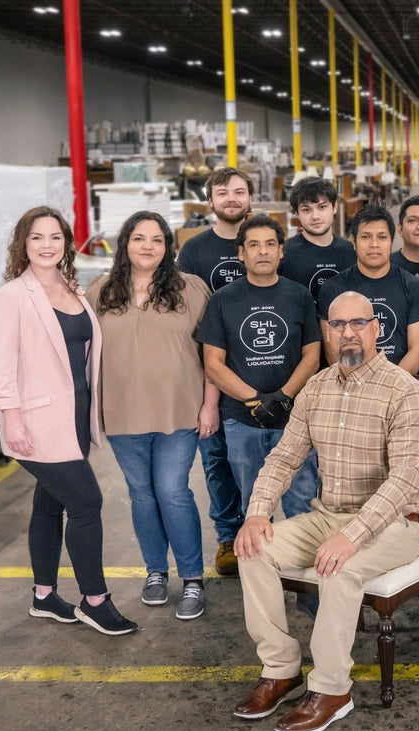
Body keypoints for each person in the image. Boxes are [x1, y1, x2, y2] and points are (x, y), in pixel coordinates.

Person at [232, 291, 419, 731]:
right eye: (339, 325)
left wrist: (353, 537)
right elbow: (283, 459)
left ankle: (331, 689)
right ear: (328, 331)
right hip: (327, 516)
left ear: (377, 327)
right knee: (252, 548)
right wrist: (257, 512)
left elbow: (403, 481)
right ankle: (281, 668)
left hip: (395, 525)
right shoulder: (315, 389)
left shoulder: (404, 390)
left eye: (358, 323)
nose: (348, 333)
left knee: (339, 568)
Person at [0, 206, 136, 636]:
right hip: (35, 423)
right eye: (37, 237)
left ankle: (44, 596)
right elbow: (3, 368)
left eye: (55, 237)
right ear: (23, 244)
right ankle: (95, 601)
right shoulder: (11, 297)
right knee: (87, 503)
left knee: (49, 503)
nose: (47, 245)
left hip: (73, 417)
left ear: (67, 244)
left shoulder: (73, 290)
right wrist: (11, 420)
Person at [89, 211, 214, 620]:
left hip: (179, 410)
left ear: (167, 247)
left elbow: (213, 352)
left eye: (157, 240)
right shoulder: (101, 292)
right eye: (140, 238)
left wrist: (210, 402)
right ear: (124, 243)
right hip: (122, 414)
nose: (148, 246)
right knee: (141, 495)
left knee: (173, 491)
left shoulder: (189, 289)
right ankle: (156, 572)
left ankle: (192, 578)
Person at [199, 215, 322, 527]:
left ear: (281, 251)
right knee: (253, 506)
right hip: (243, 422)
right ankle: (258, 570)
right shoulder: (222, 300)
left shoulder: (300, 297)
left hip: (295, 420)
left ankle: (300, 574)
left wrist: (282, 397)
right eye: (254, 245)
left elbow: (312, 355)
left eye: (270, 244)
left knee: (301, 503)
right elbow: (213, 363)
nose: (263, 251)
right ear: (242, 253)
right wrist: (255, 399)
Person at [177, 166, 251, 575]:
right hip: (208, 370)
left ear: (250, 198)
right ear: (210, 202)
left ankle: (263, 532)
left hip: (260, 367)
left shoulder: (266, 243)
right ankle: (228, 536)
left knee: (267, 459)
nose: (231, 198)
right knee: (216, 457)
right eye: (222, 193)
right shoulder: (194, 251)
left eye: (238, 191)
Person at [316, 205, 419, 374]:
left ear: (392, 242)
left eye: (382, 237)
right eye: (366, 237)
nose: (374, 244)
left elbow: (417, 351)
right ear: (354, 243)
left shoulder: (415, 288)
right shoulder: (333, 289)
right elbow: (333, 351)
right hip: (350, 388)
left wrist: (389, 388)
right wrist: (360, 387)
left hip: (400, 387)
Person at [280, 177, 354, 298]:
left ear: (334, 207)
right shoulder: (284, 253)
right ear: (296, 213)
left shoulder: (349, 251)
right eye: (306, 209)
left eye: (322, 207)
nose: (315, 216)